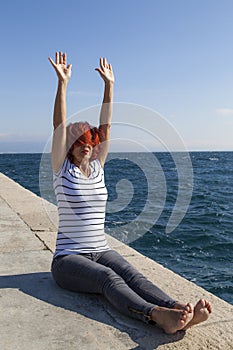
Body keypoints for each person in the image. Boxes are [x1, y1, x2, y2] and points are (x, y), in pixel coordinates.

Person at [48, 51, 212, 334]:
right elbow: (59, 127)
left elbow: (107, 125)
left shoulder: (99, 168)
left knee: (133, 275)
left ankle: (177, 308)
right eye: (79, 141)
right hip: (68, 260)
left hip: (101, 249)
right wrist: (62, 84)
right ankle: (156, 315)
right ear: (71, 146)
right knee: (107, 279)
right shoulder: (62, 170)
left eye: (90, 140)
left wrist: (109, 86)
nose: (86, 145)